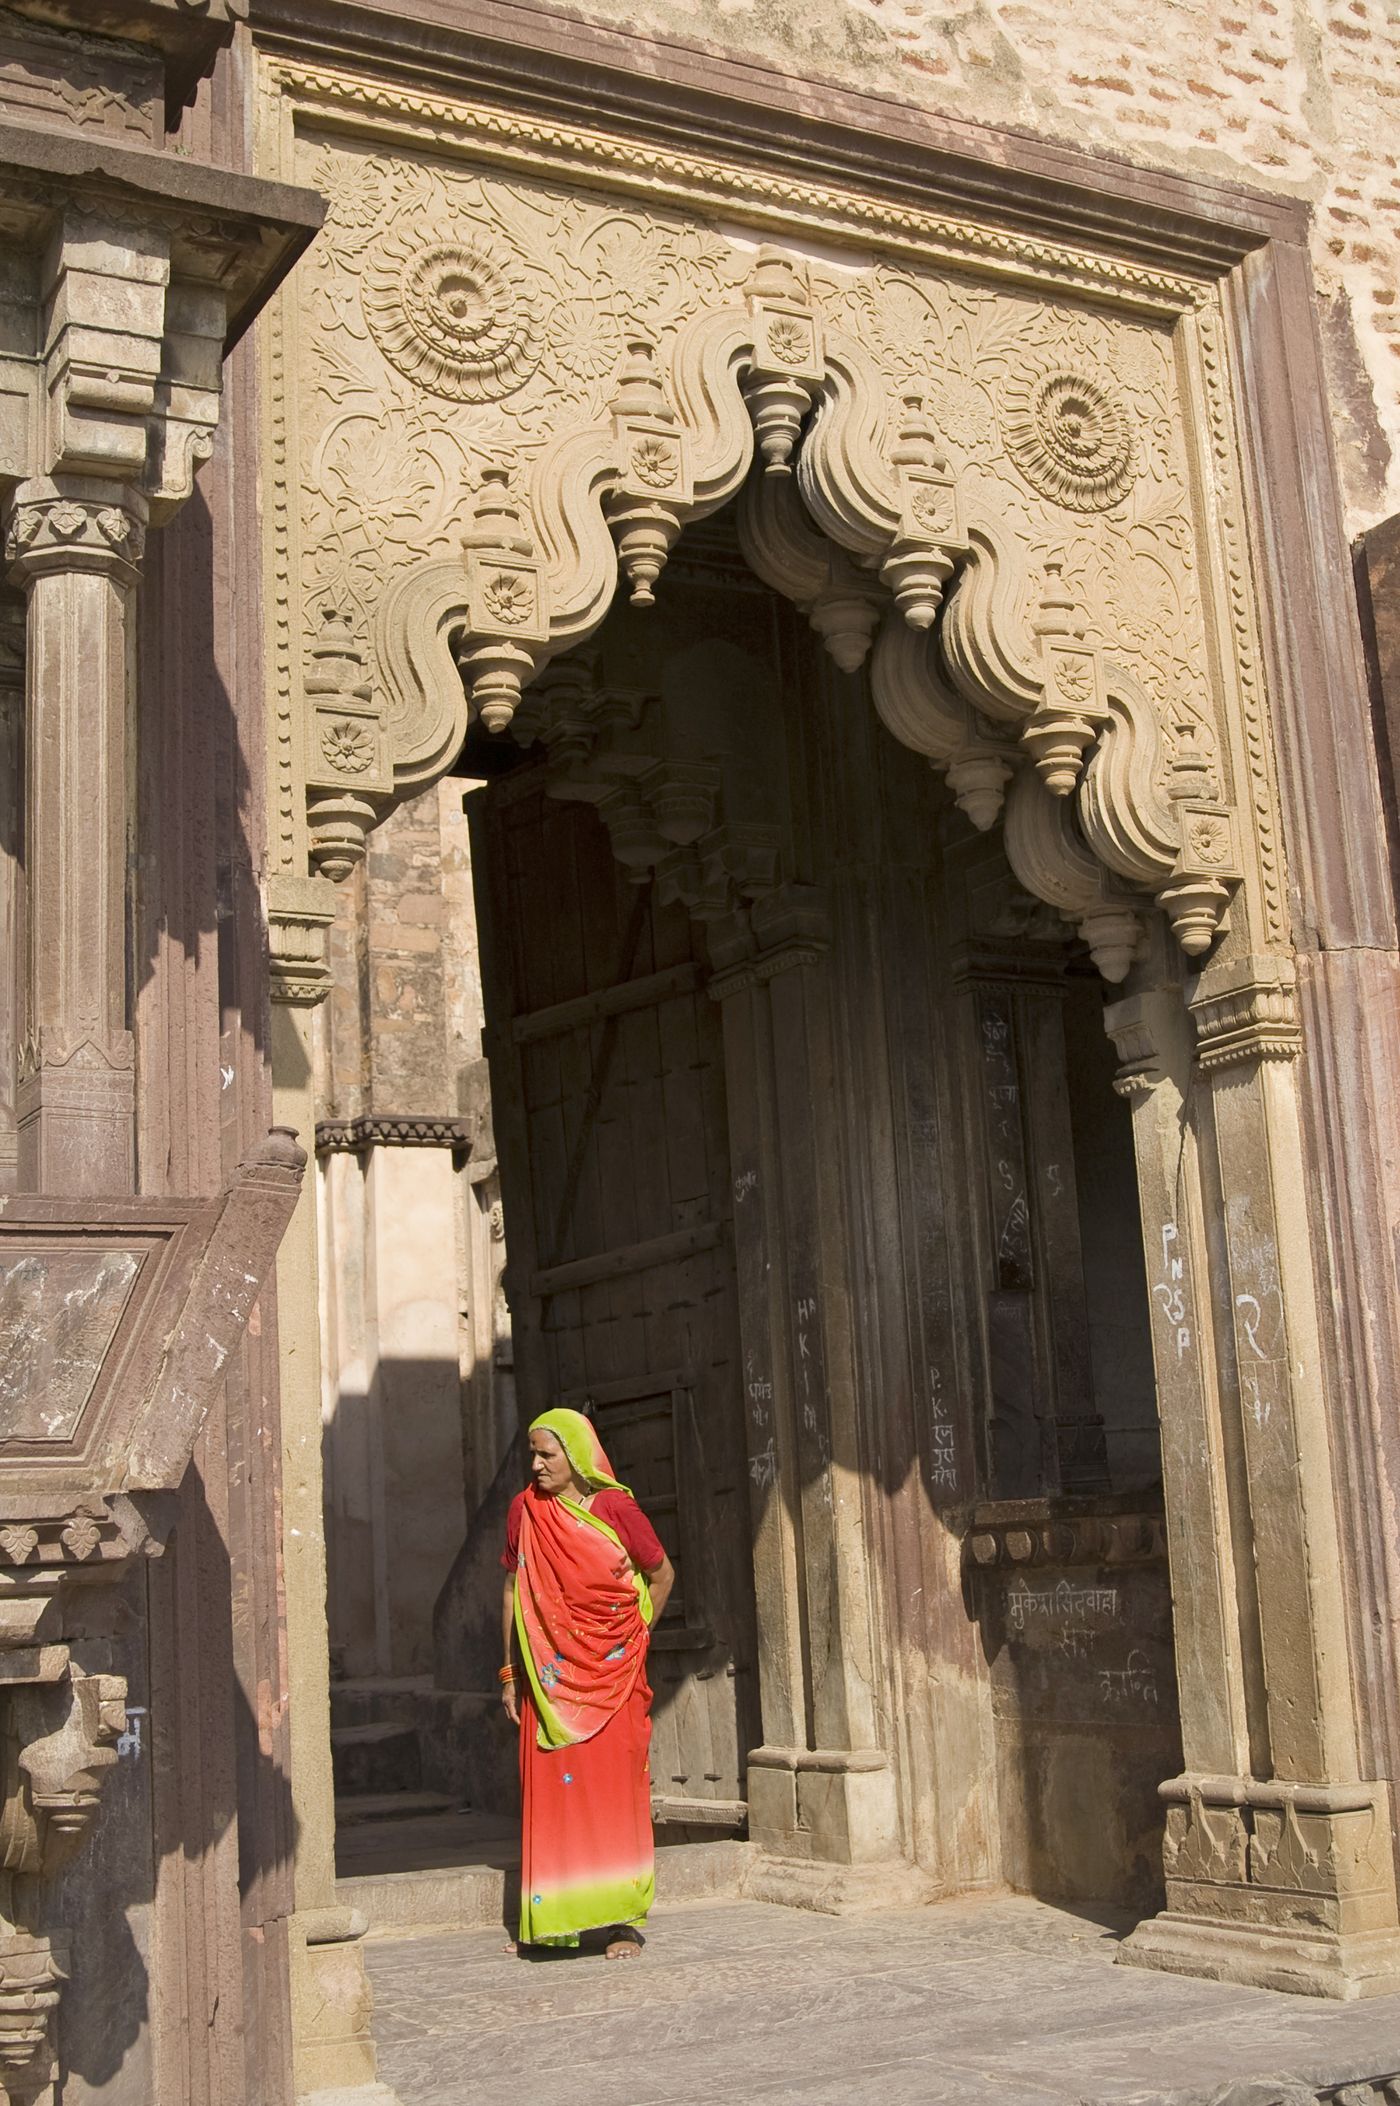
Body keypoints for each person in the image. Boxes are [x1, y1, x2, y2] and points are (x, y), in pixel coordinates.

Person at [500, 1407, 675, 1958]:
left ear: (576, 1458)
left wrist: (634, 1637)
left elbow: (662, 1573)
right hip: (547, 1681)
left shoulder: (616, 1508)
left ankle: (622, 1921)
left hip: (615, 1677)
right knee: (554, 1793)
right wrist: (508, 1672)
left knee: (615, 1792)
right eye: (532, 1453)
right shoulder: (525, 1511)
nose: (536, 1465)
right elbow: (511, 1591)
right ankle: (555, 1921)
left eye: (546, 1454)